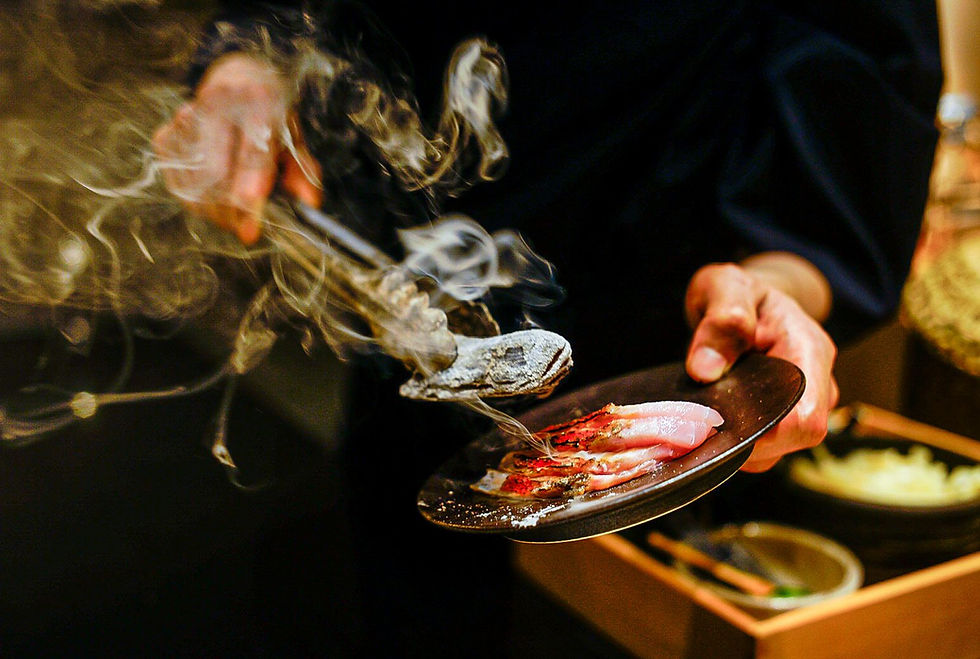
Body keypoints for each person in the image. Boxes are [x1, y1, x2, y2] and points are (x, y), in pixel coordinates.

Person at [152, 1, 942, 654]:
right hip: (408, 317)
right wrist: (256, 55)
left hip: (674, 367)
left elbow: (856, 65)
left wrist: (774, 285)